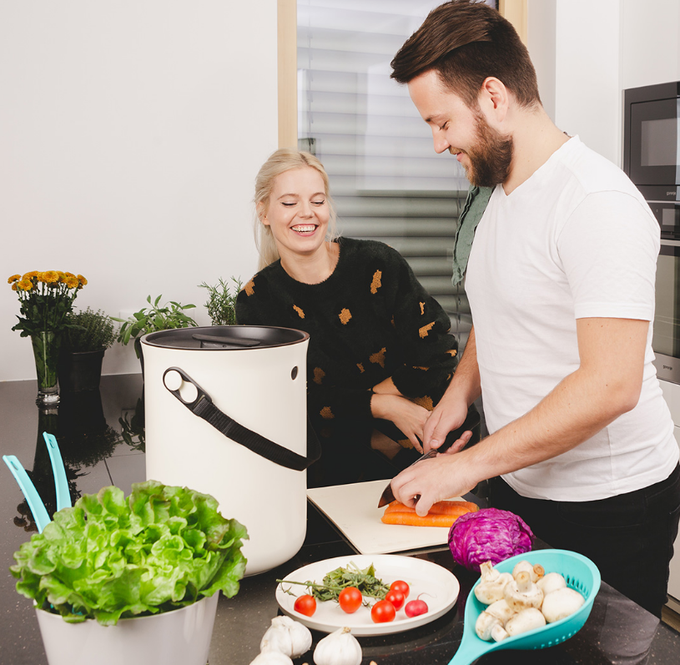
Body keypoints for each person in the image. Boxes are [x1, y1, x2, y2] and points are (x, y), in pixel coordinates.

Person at [387, 0, 680, 618]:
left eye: (442, 123)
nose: (438, 144)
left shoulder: (593, 202)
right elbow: (501, 314)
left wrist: (465, 467)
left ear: (493, 97)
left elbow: (610, 385)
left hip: (611, 506)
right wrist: (458, 395)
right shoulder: (503, 194)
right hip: (522, 482)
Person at [236, 148, 474, 487]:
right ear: (264, 211)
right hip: (342, 468)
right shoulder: (256, 302)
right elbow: (286, 398)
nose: (307, 213)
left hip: (439, 447)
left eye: (317, 201)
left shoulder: (377, 264)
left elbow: (438, 352)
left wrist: (372, 400)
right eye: (289, 203)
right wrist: (385, 407)